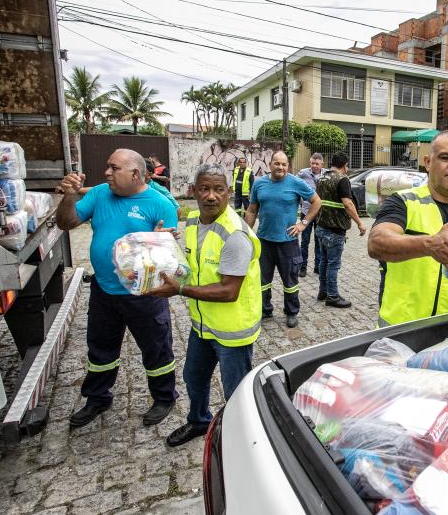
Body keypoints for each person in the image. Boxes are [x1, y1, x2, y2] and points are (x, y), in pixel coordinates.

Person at [55, 149, 179, 427]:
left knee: (156, 348)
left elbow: (169, 259)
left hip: (144, 294)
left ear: (136, 174)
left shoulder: (161, 204)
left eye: (114, 168)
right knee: (100, 349)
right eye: (108, 168)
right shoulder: (99, 194)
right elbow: (67, 222)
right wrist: (69, 196)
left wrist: (160, 242)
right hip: (104, 290)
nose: (107, 173)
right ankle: (98, 397)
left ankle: (164, 397)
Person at [145, 164, 262, 447]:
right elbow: (188, 266)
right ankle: (199, 422)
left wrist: (180, 290)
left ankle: (241, 438)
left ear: (228, 194)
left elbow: (228, 291)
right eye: (204, 189)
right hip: (203, 324)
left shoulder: (235, 235)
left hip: (232, 331)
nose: (211, 196)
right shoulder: (194, 221)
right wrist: (161, 246)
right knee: (194, 377)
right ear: (193, 191)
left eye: (218, 190)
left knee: (236, 390)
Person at [368, 131, 448, 327]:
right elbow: (376, 243)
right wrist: (428, 244)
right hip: (400, 331)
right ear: (427, 162)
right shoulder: (404, 202)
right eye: (445, 157)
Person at [245, 150, 321, 328]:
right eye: (277, 163)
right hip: (264, 240)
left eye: (284, 164)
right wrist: (246, 233)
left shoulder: (295, 182)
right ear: (270, 164)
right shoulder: (259, 184)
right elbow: (252, 210)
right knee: (263, 281)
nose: (280, 167)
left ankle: (291, 312)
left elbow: (316, 201)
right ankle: (265, 310)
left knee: (290, 281)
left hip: (288, 241)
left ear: (288, 166)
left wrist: (303, 223)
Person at [315, 152, 366, 308]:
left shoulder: (322, 178)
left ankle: (323, 291)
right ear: (345, 165)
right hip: (335, 230)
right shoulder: (342, 179)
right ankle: (332, 296)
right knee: (333, 264)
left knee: (323, 261)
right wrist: (359, 223)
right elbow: (348, 204)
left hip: (321, 227)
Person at [297, 153, 324, 277]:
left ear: (322, 164)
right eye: (312, 163)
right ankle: (303, 267)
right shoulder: (303, 173)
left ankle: (317, 266)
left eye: (316, 164)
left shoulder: (327, 174)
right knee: (305, 241)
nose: (314, 166)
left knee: (319, 241)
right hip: (306, 213)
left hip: (320, 214)